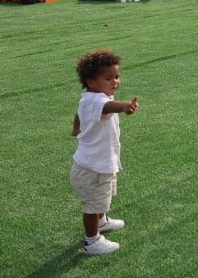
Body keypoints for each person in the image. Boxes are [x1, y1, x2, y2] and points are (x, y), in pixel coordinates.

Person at [70, 50, 139, 256]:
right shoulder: (99, 101)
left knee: (101, 198)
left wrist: (76, 127)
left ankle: (101, 221)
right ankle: (92, 242)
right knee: (92, 205)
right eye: (108, 78)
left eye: (116, 77)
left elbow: (79, 113)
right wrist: (125, 106)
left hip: (99, 164)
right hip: (93, 168)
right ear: (91, 82)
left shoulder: (91, 98)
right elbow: (109, 106)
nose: (115, 82)